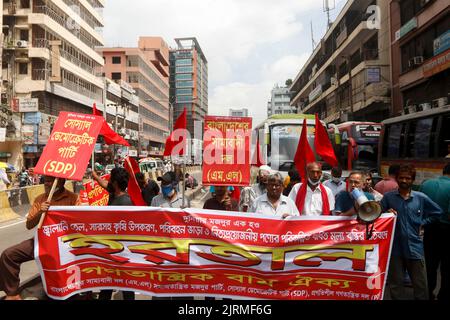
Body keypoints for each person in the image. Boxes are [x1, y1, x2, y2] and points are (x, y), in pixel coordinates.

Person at [0, 176, 80, 300]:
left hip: (63, 245)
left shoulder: (74, 199)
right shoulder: (40, 199)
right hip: (40, 241)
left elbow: (80, 223)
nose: (47, 184)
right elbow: (29, 225)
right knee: (8, 255)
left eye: (50, 181)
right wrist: (40, 212)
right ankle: (12, 293)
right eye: (45, 181)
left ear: (61, 182)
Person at [380, 164, 442, 300]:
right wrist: (386, 212)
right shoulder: (389, 198)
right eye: (401, 178)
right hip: (395, 248)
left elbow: (437, 212)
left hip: (415, 247)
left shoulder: (421, 198)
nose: (404, 180)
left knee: (420, 284)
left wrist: (423, 223)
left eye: (407, 178)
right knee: (395, 284)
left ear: (412, 180)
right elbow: (378, 214)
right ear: (397, 179)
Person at [92, 167, 135, 300]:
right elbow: (104, 184)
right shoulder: (115, 193)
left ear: (115, 183)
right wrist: (96, 177)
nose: (108, 181)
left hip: (122, 253)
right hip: (110, 251)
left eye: (111, 179)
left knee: (126, 285)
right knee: (107, 284)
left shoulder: (126, 203)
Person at [419, 163, 450, 300]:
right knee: (446, 266)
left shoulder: (426, 184)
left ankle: (428, 293)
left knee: (430, 264)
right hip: (446, 229)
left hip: (430, 229)